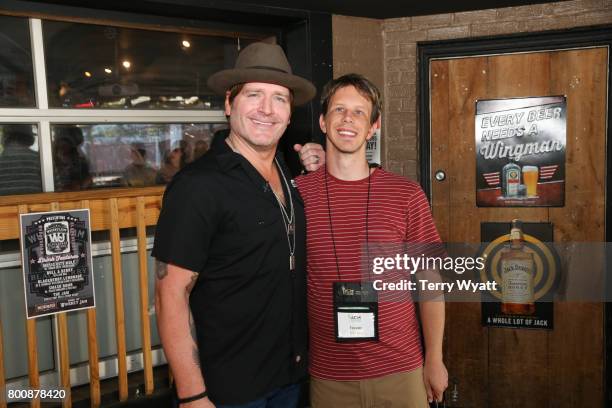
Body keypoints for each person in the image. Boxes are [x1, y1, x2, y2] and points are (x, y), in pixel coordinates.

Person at [152, 42, 321, 408]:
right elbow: (170, 294)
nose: (266, 109)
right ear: (229, 104)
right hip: (229, 390)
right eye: (254, 94)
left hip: (288, 379)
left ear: (289, 114)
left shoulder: (286, 175)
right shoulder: (198, 187)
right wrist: (192, 394)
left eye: (279, 98)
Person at [296, 74, 448, 408]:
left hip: (402, 371)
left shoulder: (406, 194)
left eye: (359, 112)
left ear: (373, 126)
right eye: (338, 110)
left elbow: (430, 280)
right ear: (323, 121)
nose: (348, 119)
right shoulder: (298, 196)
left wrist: (434, 358)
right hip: (329, 377)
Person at [0, 124, 42, 195]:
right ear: (29, 137)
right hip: (37, 205)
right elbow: (56, 185)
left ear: (5, 137)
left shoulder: (1, 159)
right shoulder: (40, 159)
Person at [53, 125, 92, 191]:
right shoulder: (50, 161)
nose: (63, 147)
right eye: (61, 146)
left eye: (66, 143)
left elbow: (88, 179)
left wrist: (81, 185)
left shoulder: (80, 161)